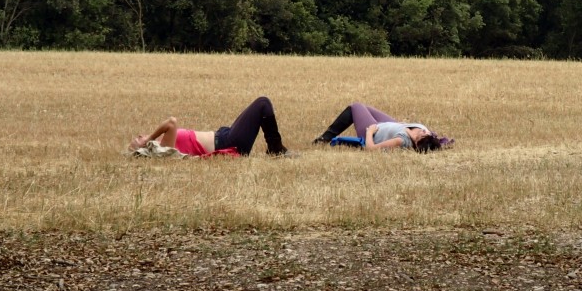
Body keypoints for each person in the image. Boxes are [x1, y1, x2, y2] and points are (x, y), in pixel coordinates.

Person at [129, 96, 295, 157]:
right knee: (263, 103)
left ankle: (275, 148)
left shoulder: (165, 144)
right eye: (138, 139)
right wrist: (150, 138)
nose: (140, 135)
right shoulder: (164, 148)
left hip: (225, 135)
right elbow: (171, 122)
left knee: (260, 105)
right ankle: (275, 148)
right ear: (143, 148)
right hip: (228, 142)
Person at [311, 102, 446, 152]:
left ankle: (325, 138)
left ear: (416, 143)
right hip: (392, 124)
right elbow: (434, 139)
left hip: (375, 131)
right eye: (425, 133)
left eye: (421, 135)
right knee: (366, 108)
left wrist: (369, 132)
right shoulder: (427, 136)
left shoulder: (402, 140)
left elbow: (371, 149)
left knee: (356, 107)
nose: (423, 131)